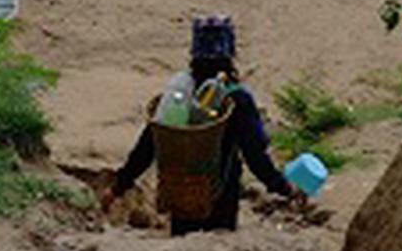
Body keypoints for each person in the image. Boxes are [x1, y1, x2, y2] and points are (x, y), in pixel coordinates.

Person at [99, 15, 303, 233]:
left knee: (181, 246)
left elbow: (148, 144)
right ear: (230, 51)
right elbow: (256, 156)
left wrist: (118, 187)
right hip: (221, 200)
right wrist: (284, 188)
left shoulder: (179, 94)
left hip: (181, 199)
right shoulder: (237, 99)